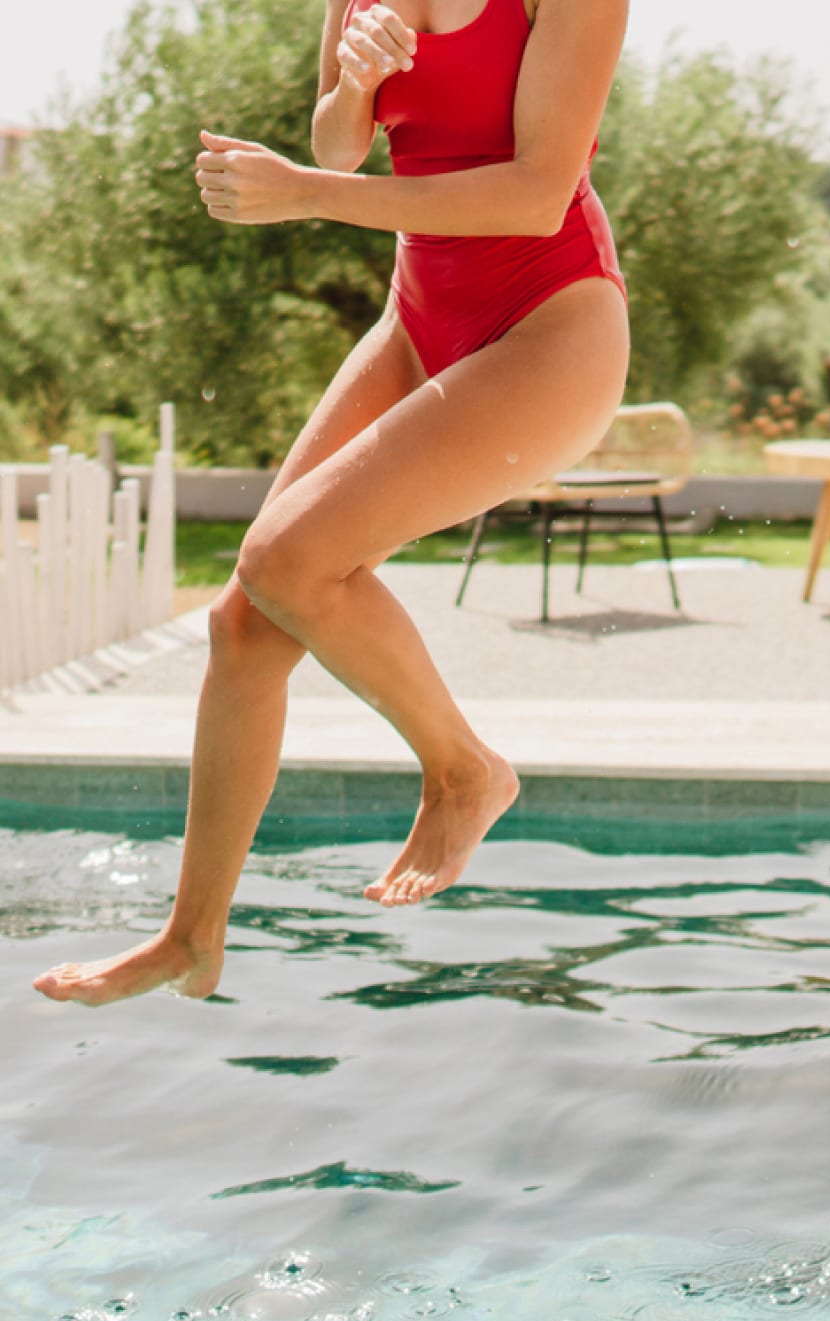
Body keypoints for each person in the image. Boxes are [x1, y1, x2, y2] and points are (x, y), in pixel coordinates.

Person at [33, 0, 630, 1006]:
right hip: (418, 316)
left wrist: (304, 195)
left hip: (550, 328)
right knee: (244, 622)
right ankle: (190, 939)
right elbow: (337, 142)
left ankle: (464, 771)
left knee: (287, 562)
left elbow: (536, 197)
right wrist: (355, 86)